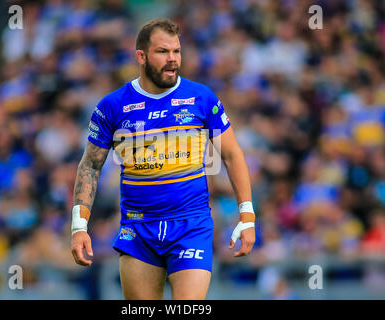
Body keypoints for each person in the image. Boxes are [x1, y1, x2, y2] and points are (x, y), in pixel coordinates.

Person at [70, 18, 256, 300]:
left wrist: (247, 216)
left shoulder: (200, 98)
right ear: (141, 56)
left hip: (191, 225)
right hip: (138, 228)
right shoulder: (113, 106)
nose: (172, 59)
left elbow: (231, 155)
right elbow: (91, 165)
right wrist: (79, 227)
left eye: (177, 51)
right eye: (163, 52)